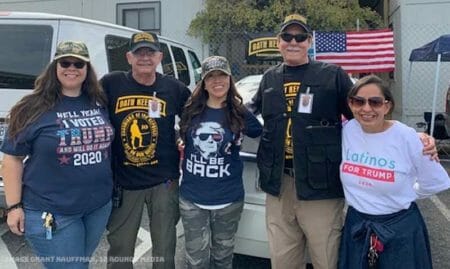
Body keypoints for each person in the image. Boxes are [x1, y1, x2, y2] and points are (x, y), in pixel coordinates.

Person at [246, 14, 438, 269]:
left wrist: (414, 137)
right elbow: (247, 112)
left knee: (326, 258)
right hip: (278, 186)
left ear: (309, 41)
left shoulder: (331, 75)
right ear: (279, 41)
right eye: (287, 36)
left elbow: (365, 114)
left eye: (300, 37)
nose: (294, 41)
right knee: (282, 261)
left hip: (320, 189)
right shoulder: (269, 78)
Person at [0, 40, 114, 269]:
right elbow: (12, 159)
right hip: (52, 211)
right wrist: (13, 207)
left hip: (98, 207)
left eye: (79, 64)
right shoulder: (32, 107)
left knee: (80, 263)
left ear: (87, 69)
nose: (72, 68)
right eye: (65, 62)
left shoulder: (98, 101)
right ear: (55, 67)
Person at [339, 75, 450, 269]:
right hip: (357, 226)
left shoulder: (407, 138)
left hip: (400, 229)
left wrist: (405, 193)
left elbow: (437, 181)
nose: (366, 108)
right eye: (359, 101)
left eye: (375, 102)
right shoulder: (348, 130)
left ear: (387, 106)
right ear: (351, 104)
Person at [101, 32, 191, 269]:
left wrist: (185, 137)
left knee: (164, 247)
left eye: (150, 52)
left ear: (159, 57)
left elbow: (195, 116)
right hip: (124, 181)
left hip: (164, 181)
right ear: (128, 57)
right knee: (120, 247)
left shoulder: (175, 88)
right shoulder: (111, 84)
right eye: (139, 52)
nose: (145, 58)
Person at [178, 56, 262, 269]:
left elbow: (261, 133)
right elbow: (180, 136)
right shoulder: (190, 109)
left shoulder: (239, 112)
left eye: (222, 75)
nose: (217, 81)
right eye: (211, 76)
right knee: (196, 260)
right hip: (192, 199)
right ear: (204, 82)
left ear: (229, 79)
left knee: (223, 259)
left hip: (228, 199)